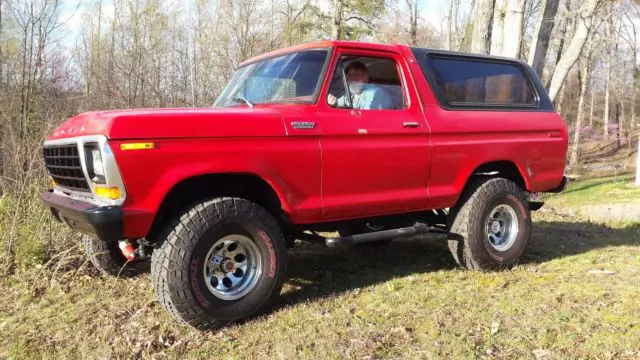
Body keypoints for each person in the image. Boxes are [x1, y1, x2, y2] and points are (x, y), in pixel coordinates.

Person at [327, 60, 394, 110]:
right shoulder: (350, 94)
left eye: (357, 75)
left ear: (366, 77)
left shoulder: (374, 92)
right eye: (350, 76)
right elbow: (339, 102)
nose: (353, 79)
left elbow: (367, 117)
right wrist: (334, 102)